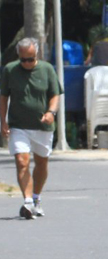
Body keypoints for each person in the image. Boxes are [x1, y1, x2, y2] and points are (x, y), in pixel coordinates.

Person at [0, 37, 63, 219]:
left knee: (42, 163)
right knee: (22, 161)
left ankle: (36, 198)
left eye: (30, 59)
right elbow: (3, 97)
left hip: (43, 126)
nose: (27, 63)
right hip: (19, 125)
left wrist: (51, 112)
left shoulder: (47, 69)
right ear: (18, 56)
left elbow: (55, 94)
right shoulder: (10, 70)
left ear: (36, 55)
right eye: (23, 60)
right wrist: (3, 121)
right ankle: (27, 201)